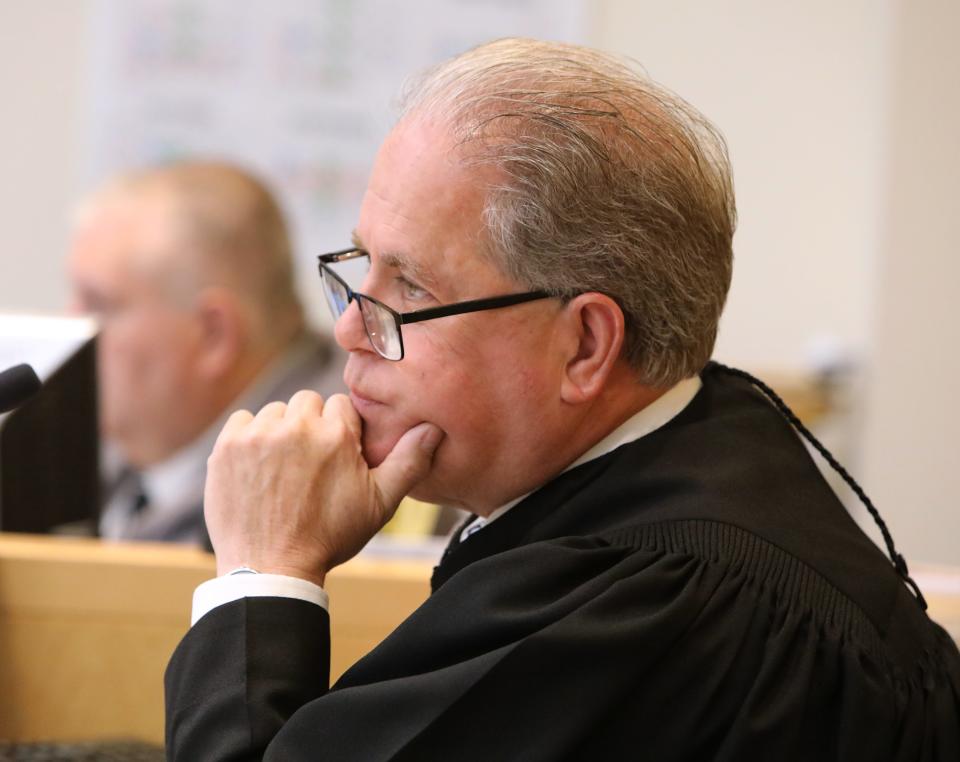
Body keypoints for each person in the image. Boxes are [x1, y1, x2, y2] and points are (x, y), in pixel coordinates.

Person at [165, 39, 960, 759]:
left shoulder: (639, 611)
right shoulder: (708, 446)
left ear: (585, 346)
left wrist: (263, 573)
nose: (349, 332)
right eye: (363, 264)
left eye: (408, 286)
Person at [68, 161, 345, 547]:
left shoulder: (339, 476)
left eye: (100, 306)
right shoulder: (99, 465)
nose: (72, 332)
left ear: (213, 334)